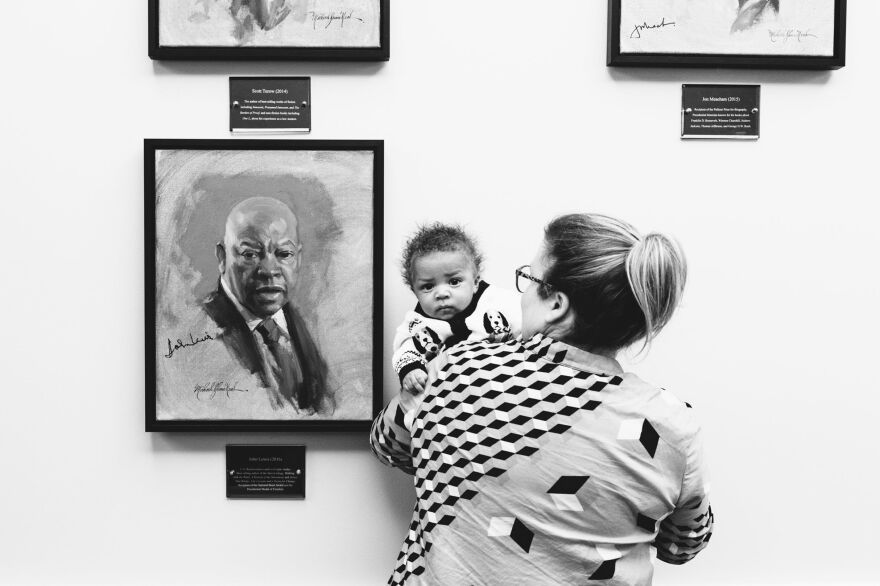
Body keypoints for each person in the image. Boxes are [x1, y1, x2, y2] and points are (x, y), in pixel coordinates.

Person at [371, 214, 713, 585]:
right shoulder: (671, 425)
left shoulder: (453, 367)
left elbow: (388, 445)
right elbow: (684, 545)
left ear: (556, 304)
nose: (522, 294)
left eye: (530, 280)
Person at [202, 196, 328, 412]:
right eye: (250, 254)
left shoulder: (298, 327)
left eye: (284, 254)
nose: (269, 270)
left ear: (298, 258)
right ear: (222, 258)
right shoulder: (200, 337)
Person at [392, 223, 521, 395]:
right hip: (450, 396)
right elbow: (405, 350)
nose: (442, 293)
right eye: (428, 286)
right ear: (415, 291)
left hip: (502, 381)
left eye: (454, 282)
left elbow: (527, 320)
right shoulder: (419, 323)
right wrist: (411, 370)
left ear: (475, 282)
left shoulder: (496, 302)